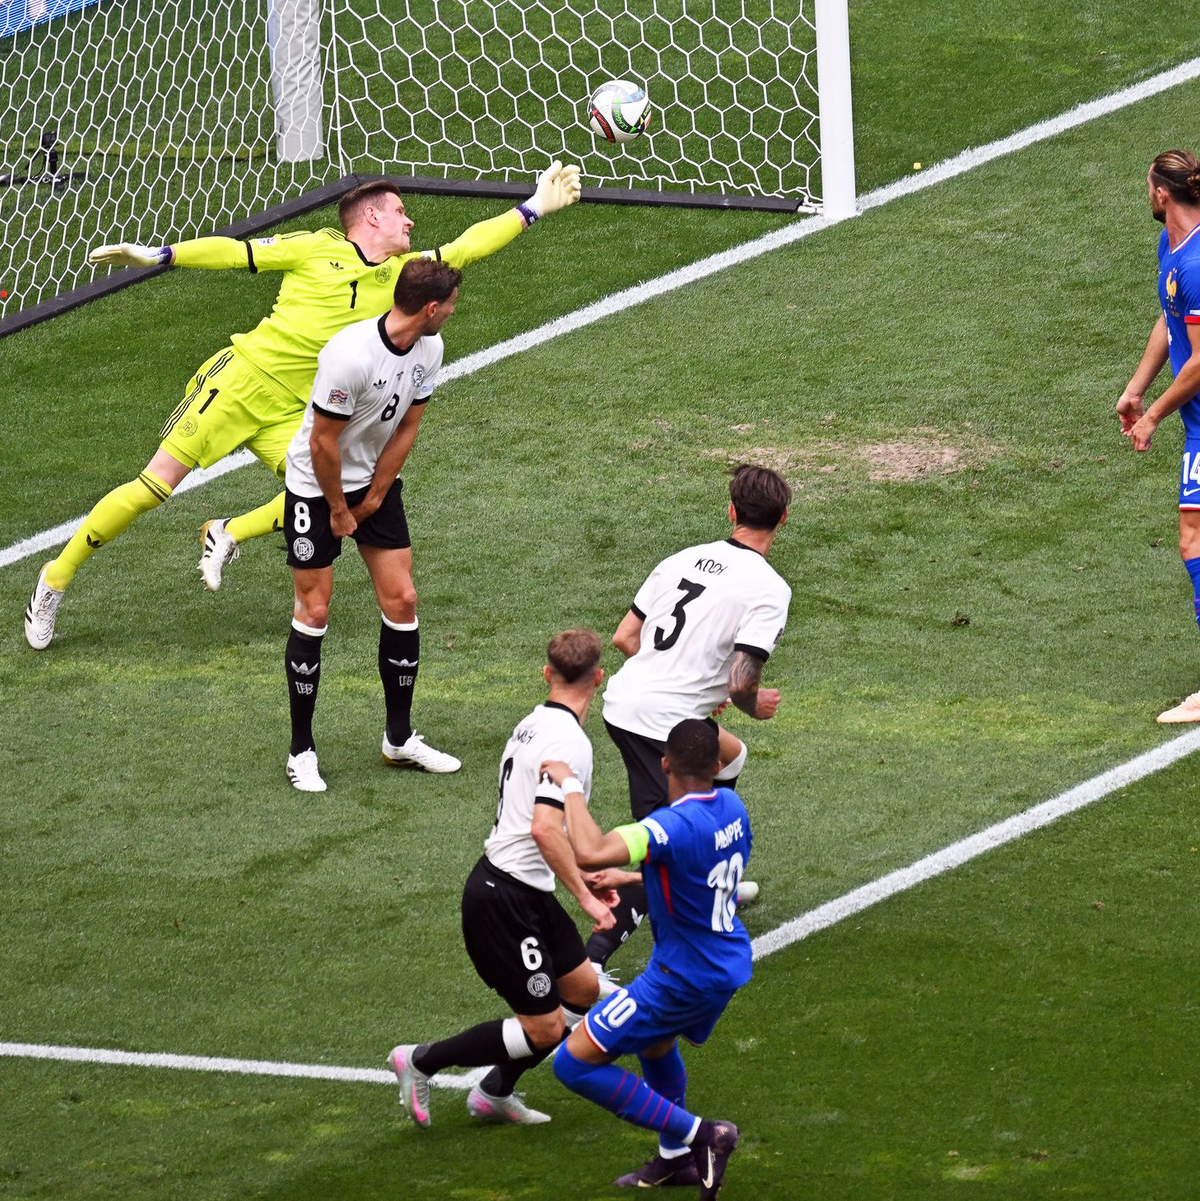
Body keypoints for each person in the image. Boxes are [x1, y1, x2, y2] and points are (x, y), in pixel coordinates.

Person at [24, 162, 582, 650]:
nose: (410, 222)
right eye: (400, 212)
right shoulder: (316, 248)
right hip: (241, 381)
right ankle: (55, 578)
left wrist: (534, 206)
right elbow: (235, 252)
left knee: (313, 491)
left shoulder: (399, 277)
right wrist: (162, 254)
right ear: (371, 220)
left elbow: (466, 247)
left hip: (295, 405)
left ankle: (227, 531)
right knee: (155, 486)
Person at [388, 629, 627, 1126]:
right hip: (504, 900)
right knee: (544, 1029)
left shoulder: (531, 724)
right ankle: (418, 1060)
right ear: (599, 679)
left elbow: (540, 826)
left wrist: (591, 870)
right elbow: (543, 828)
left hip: (526, 888)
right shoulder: (571, 744)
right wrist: (584, 894)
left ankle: (494, 1092)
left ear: (547, 674)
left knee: (582, 993)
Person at [584, 464, 792, 980]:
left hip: (630, 703)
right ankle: (589, 965)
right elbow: (744, 682)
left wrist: (698, 684)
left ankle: (709, 879)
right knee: (663, 849)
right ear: (783, 519)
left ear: (731, 511)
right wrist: (751, 701)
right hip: (661, 721)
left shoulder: (682, 559)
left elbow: (625, 638)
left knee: (731, 754)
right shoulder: (769, 589)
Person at [281, 257, 471, 789]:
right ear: (431, 307)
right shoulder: (349, 356)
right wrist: (340, 509)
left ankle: (399, 739)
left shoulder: (429, 349)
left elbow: (408, 426)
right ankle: (301, 750)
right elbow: (321, 442)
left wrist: (376, 497)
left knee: (403, 600)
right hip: (317, 487)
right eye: (451, 305)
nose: (454, 313)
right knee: (315, 610)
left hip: (372, 484)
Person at [546, 718, 750, 1197]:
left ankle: (703, 1135)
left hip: (681, 977)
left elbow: (592, 851)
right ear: (717, 765)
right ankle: (675, 1161)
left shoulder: (668, 826)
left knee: (573, 1064)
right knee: (655, 1044)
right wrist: (631, 879)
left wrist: (569, 784)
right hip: (726, 962)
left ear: (664, 764)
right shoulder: (733, 807)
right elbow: (709, 879)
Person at [1118, 149, 1200, 722]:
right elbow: (1170, 321)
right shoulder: (1173, 252)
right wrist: (1136, 388)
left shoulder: (1197, 263)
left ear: (1162, 193)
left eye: (1148, 187)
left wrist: (1154, 418)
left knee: (1194, 541)